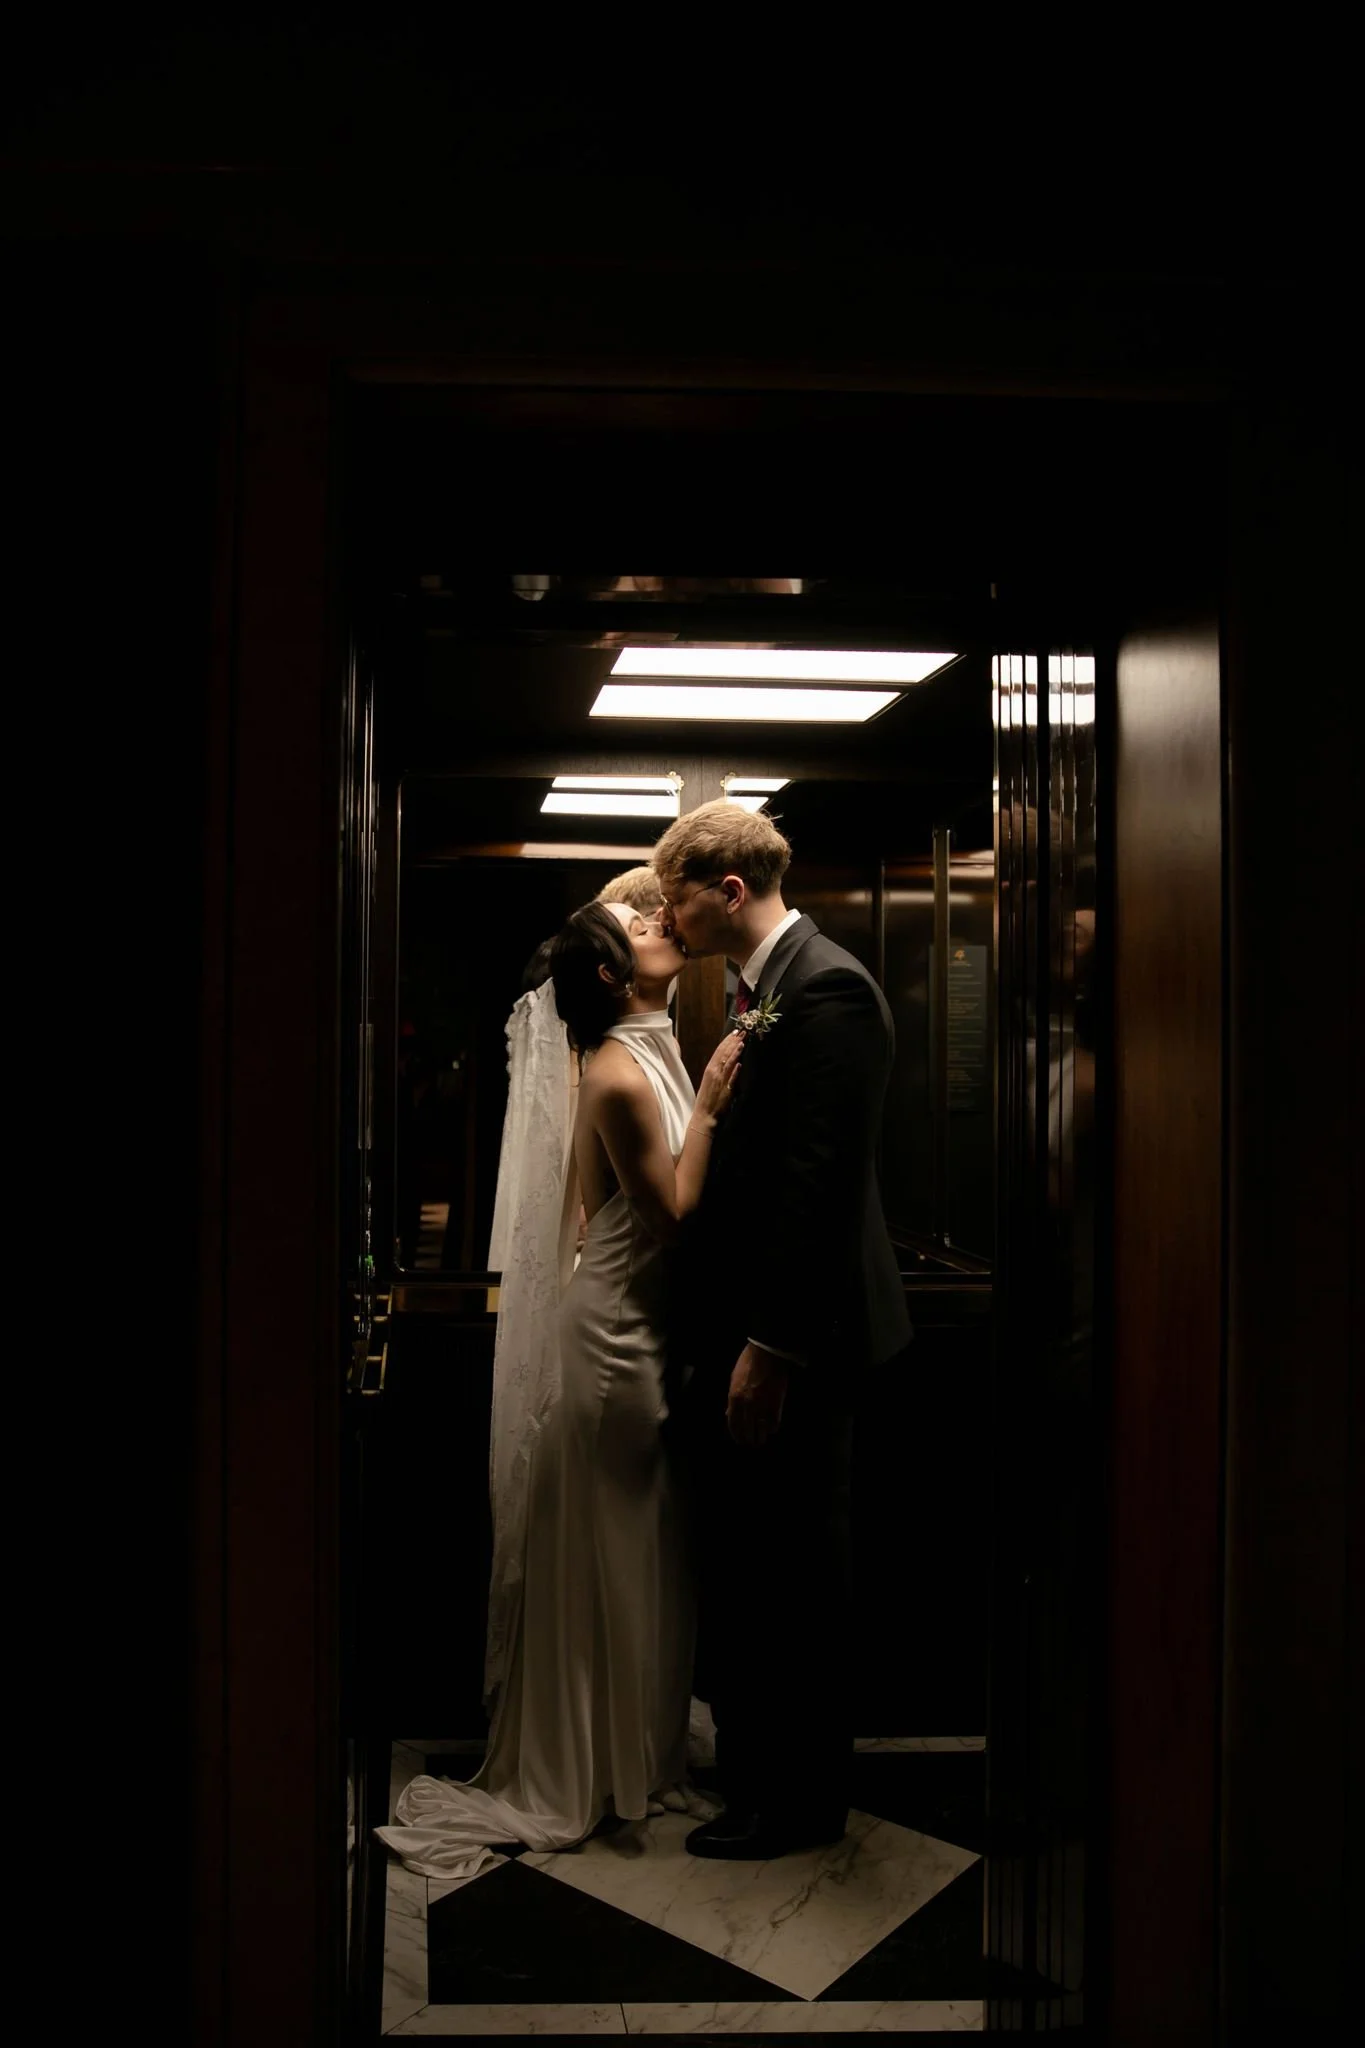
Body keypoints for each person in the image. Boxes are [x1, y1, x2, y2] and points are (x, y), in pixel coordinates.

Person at [376, 897, 743, 1879]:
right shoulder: (622, 1071)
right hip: (615, 1339)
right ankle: (600, 1764)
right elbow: (667, 1215)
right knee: (619, 1546)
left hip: (641, 1328)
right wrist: (709, 1105)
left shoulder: (646, 1040)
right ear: (617, 976)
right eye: (641, 924)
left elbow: (590, 1203)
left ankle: (641, 1750)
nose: (662, 919)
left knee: (644, 1543)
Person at [652, 799, 912, 1861]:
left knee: (799, 1575)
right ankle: (761, 1783)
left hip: (805, 1342)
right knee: (762, 1565)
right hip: (762, 1330)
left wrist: (772, 1347)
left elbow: (819, 1188)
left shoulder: (829, 988)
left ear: (726, 889)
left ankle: (800, 1806)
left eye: (676, 896)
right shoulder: (770, 990)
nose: (668, 917)